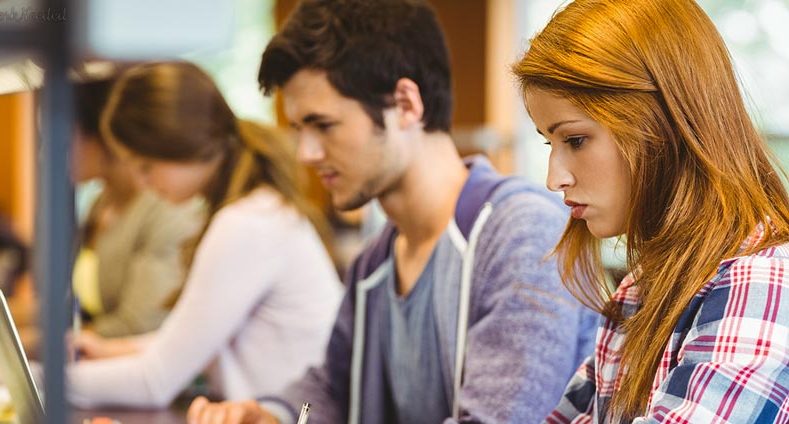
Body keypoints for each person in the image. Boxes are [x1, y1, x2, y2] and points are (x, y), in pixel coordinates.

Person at [187, 1, 596, 423]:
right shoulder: (374, 262)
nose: (307, 154)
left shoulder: (522, 233)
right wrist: (274, 414)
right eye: (299, 130)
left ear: (405, 104)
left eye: (323, 126)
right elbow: (327, 391)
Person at [512, 0, 789, 422]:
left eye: (576, 140)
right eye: (550, 144)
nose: (555, 179)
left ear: (661, 125)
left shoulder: (763, 282)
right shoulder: (641, 289)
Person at [66, 62, 343, 408]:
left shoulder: (247, 224)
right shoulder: (254, 211)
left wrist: (40, 377)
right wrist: (117, 349)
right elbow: (195, 338)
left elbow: (155, 381)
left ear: (182, 146)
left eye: (147, 167)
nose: (142, 183)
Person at [70, 78, 204, 337]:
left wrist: (43, 343)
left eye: (63, 136)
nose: (49, 150)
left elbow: (140, 325)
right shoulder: (102, 203)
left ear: (101, 137)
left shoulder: (166, 208)